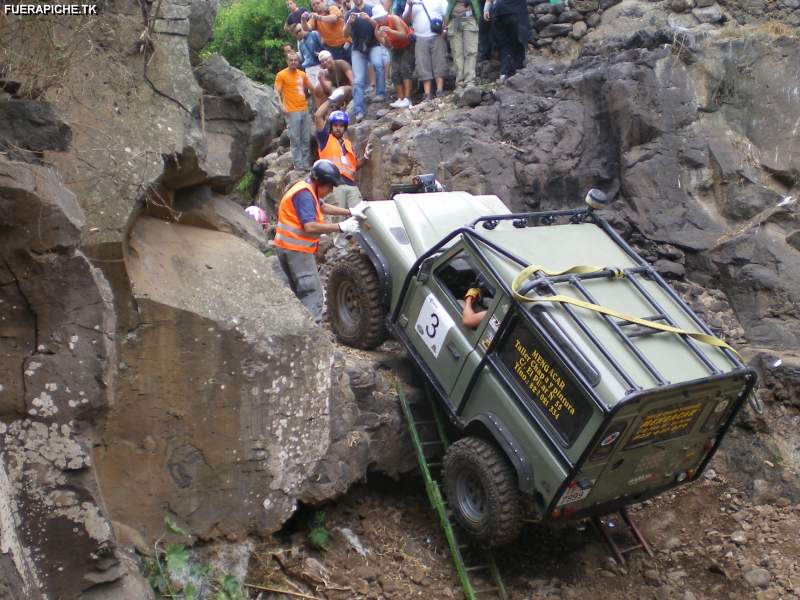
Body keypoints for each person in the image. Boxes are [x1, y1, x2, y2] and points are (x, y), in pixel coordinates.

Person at [272, 159, 367, 323]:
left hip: (286, 247)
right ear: (320, 182)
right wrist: (340, 227)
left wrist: (350, 211)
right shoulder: (305, 194)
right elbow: (309, 227)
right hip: (297, 251)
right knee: (312, 295)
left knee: (295, 294)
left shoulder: (306, 188)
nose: (330, 191)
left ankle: (297, 329)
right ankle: (312, 337)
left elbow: (323, 207)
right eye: (330, 186)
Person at [314, 107, 373, 208]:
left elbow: (354, 166)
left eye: (341, 126)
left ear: (345, 128)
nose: (338, 128)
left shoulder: (348, 144)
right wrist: (331, 100)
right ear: (331, 126)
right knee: (338, 218)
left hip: (351, 185)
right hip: (333, 185)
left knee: (359, 216)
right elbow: (318, 116)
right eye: (335, 125)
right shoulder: (325, 139)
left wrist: (366, 156)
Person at [343, 0, 387, 121]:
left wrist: (368, 19)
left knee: (378, 65)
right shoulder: (349, 13)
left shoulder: (371, 8)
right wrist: (348, 23)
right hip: (357, 47)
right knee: (358, 80)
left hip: (373, 44)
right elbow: (344, 34)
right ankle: (359, 111)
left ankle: (381, 93)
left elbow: (380, 26)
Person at [274, 53, 314, 170]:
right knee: (295, 138)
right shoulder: (281, 75)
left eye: (295, 60)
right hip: (291, 110)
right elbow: (276, 92)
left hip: (304, 108)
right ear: (287, 61)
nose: (293, 62)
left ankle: (306, 163)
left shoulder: (302, 74)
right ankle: (298, 164)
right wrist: (282, 106)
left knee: (306, 137)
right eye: (291, 60)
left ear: (298, 62)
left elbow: (312, 88)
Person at [404, 0, 449, 101]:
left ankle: (440, 90)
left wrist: (445, 30)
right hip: (419, 37)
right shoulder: (412, 2)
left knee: (440, 61)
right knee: (422, 65)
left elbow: (447, 14)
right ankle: (427, 93)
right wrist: (410, 6)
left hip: (437, 35)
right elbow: (405, 20)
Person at [375, 7, 414, 108]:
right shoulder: (377, 30)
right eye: (378, 19)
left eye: (381, 17)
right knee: (395, 72)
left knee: (405, 68)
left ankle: (407, 98)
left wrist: (390, 31)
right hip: (395, 48)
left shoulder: (394, 19)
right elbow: (388, 46)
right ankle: (400, 98)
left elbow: (404, 35)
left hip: (407, 44)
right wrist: (385, 37)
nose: (380, 20)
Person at [483, 0, 528, 83]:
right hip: (514, 11)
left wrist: (486, 8)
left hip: (497, 12)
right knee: (518, 43)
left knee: (504, 45)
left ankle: (503, 74)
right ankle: (517, 73)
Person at [446, 0, 481, 89]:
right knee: (457, 53)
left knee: (471, 52)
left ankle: (470, 81)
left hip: (470, 19)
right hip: (454, 20)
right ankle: (460, 82)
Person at [293, 24, 324, 88]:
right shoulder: (300, 43)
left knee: (321, 88)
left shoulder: (314, 34)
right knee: (313, 90)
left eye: (299, 30)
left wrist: (321, 54)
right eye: (296, 33)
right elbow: (302, 58)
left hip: (320, 65)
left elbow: (324, 46)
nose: (299, 33)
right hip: (308, 68)